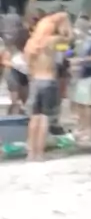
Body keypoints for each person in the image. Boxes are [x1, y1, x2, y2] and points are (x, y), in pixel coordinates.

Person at [24, 12, 72, 160]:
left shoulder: (31, 43)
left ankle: (30, 153)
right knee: (45, 118)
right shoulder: (52, 41)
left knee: (34, 117)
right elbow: (68, 42)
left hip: (35, 81)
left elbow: (28, 64)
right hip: (49, 80)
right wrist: (65, 24)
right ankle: (39, 153)